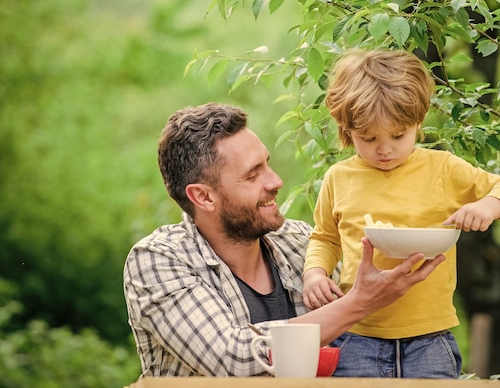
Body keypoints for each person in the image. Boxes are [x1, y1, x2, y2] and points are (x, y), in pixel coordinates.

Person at [123, 102, 446, 378]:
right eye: (253, 174)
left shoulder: (301, 243)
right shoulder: (158, 260)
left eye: (268, 164)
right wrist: (360, 302)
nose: (276, 181)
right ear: (203, 197)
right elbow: (231, 359)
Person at [303, 49, 500, 378]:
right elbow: (324, 237)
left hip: (429, 339)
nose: (385, 149)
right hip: (357, 336)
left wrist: (486, 207)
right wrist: (315, 275)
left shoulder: (442, 168)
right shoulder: (339, 177)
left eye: (398, 135)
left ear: (418, 122)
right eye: (369, 138)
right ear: (346, 129)